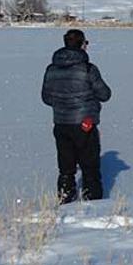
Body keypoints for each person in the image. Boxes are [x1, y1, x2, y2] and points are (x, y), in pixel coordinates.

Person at [42, 29, 112, 203]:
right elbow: (105, 94)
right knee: (90, 168)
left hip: (61, 124)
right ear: (82, 45)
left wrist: (62, 103)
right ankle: (94, 204)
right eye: (86, 43)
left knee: (66, 168)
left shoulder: (52, 69)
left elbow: (46, 97)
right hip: (85, 124)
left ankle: (65, 201)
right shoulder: (88, 69)